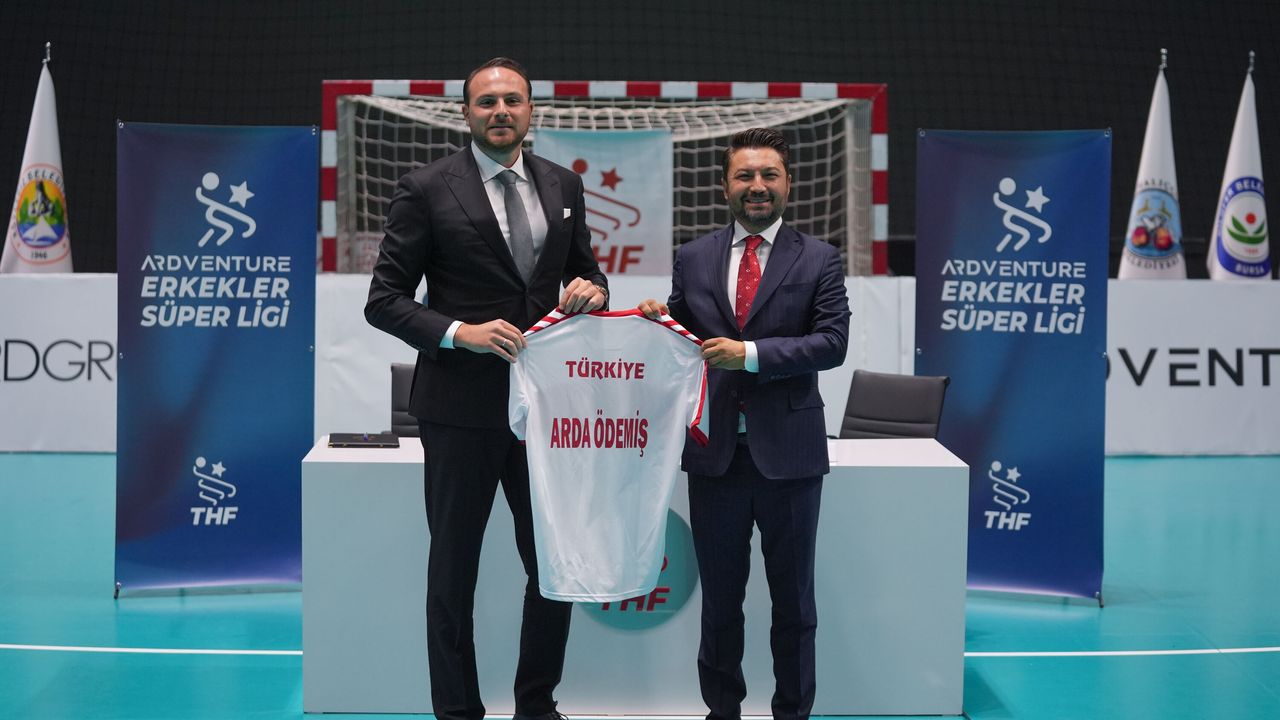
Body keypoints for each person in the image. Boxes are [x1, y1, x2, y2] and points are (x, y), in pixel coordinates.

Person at [365, 57, 608, 720]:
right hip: (458, 410)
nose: (501, 111)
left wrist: (593, 290)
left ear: (531, 110)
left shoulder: (564, 185)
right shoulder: (425, 188)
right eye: (487, 102)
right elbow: (383, 300)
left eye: (513, 100)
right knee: (453, 574)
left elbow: (586, 274)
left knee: (552, 566)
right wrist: (458, 333)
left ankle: (536, 705)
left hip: (547, 411)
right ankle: (457, 712)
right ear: (466, 113)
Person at [639, 128, 849, 720]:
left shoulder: (820, 258)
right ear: (724, 185)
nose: (757, 185)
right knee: (720, 605)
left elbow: (832, 343)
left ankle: (793, 714)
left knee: (795, 606)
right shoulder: (693, 257)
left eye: (768, 175)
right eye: (744, 175)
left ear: (788, 184)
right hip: (715, 460)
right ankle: (722, 712)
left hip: (790, 459)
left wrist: (750, 355)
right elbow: (684, 337)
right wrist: (658, 320)